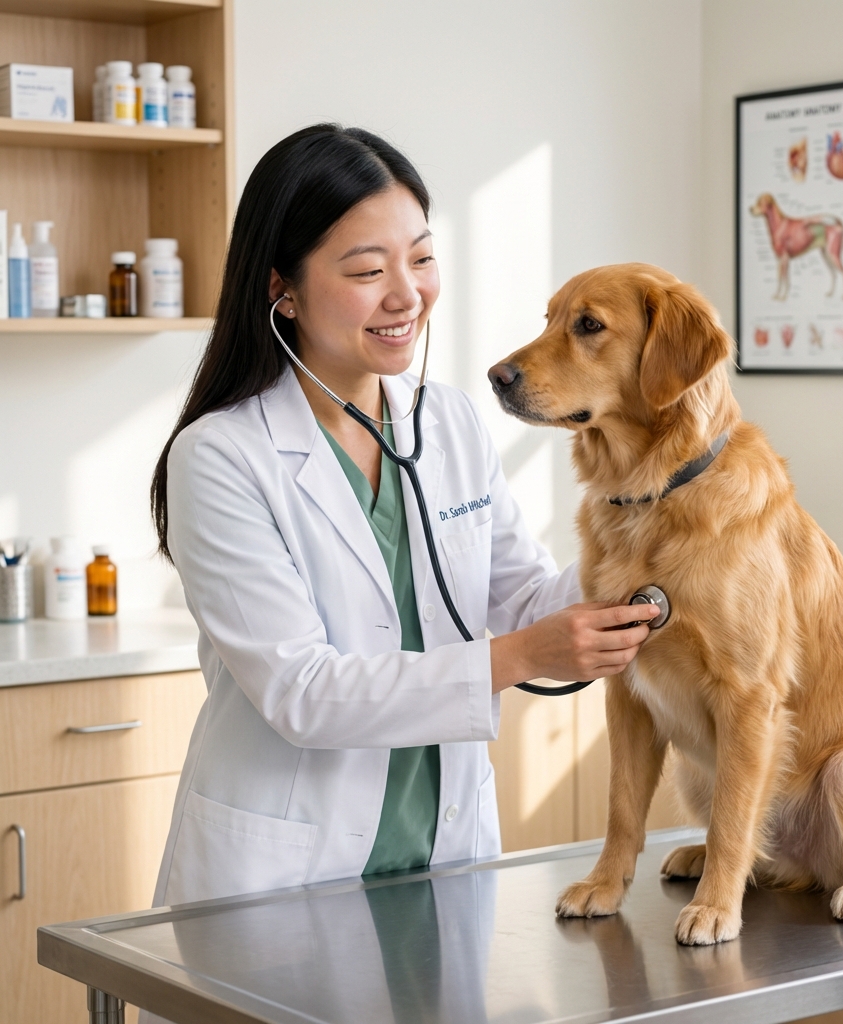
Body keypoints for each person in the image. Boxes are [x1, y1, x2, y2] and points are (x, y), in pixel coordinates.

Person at [148, 124, 657, 907]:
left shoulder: (446, 422)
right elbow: (303, 693)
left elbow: (521, 597)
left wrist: (661, 534)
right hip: (283, 876)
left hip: (444, 853)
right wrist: (516, 657)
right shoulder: (220, 457)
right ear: (282, 286)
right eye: (366, 270)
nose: (406, 294)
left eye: (421, 259)